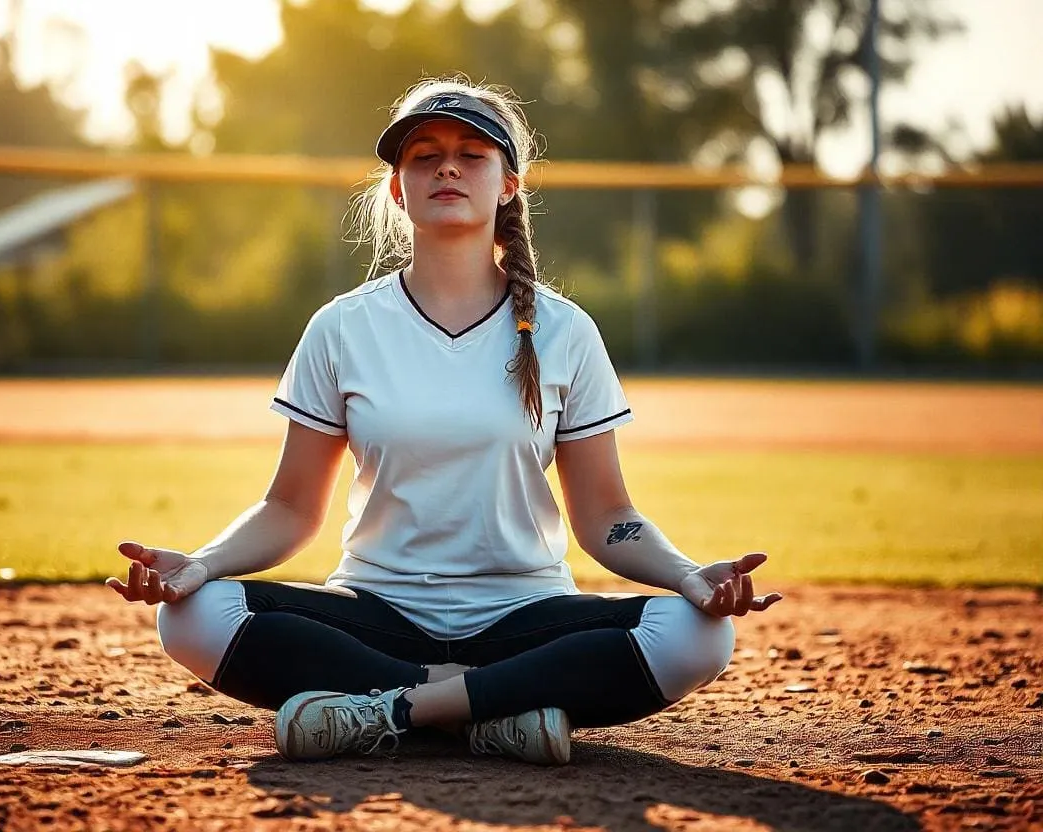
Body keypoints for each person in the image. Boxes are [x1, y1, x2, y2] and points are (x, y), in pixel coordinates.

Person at [106, 78, 782, 766]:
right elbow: (289, 508)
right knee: (191, 614)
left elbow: (606, 514)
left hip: (524, 617)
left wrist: (687, 574)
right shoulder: (344, 326)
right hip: (376, 614)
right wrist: (201, 563)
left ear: (509, 184)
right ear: (398, 189)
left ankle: (397, 712)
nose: (447, 167)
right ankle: (487, 712)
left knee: (698, 634)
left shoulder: (564, 330)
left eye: (471, 154)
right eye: (424, 156)